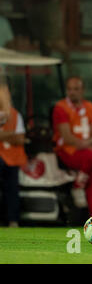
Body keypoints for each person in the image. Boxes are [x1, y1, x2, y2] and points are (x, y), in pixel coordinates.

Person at [52, 76, 92, 216]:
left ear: (82, 90)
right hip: (67, 151)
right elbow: (67, 137)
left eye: (76, 89)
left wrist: (87, 144)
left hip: (85, 152)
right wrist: (89, 145)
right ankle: (78, 186)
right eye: (69, 89)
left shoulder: (90, 107)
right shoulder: (60, 108)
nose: (72, 92)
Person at [28, 0, 70, 69]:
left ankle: (71, 68)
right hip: (36, 2)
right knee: (43, 41)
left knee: (55, 39)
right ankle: (47, 71)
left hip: (49, 3)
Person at [0, 83, 27, 227]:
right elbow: (15, 136)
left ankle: (13, 221)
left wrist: (3, 135)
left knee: (12, 188)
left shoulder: (15, 115)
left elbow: (20, 139)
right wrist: (11, 135)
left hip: (12, 159)